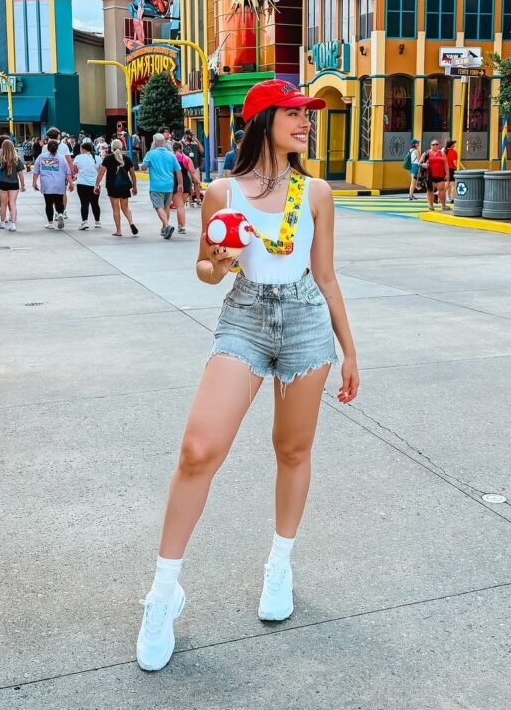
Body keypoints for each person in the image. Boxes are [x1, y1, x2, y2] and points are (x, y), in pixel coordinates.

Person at [136, 78, 360, 673]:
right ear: (263, 120)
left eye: (307, 115)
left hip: (306, 321)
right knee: (198, 450)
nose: (306, 123)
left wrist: (350, 350)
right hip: (245, 318)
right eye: (294, 113)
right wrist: (219, 263)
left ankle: (279, 564)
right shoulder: (222, 191)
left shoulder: (315, 192)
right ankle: (163, 593)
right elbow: (207, 270)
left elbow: (327, 275)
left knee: (292, 449)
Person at [94, 138, 138, 237]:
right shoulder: (126, 158)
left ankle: (118, 231)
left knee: (116, 209)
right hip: (124, 186)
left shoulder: (108, 158)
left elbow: (101, 173)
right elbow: (133, 174)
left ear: (112, 148)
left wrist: (97, 184)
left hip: (112, 186)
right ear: (121, 147)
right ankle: (131, 222)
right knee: (125, 207)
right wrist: (134, 187)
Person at [143, 133, 182, 240]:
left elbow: (143, 167)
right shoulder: (171, 155)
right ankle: (164, 228)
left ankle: (167, 225)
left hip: (156, 186)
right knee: (166, 206)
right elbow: (178, 170)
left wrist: (147, 164)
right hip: (169, 185)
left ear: (155, 142)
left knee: (159, 207)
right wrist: (180, 184)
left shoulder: (150, 154)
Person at [33, 139, 74, 229]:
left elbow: (36, 171)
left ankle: (50, 223)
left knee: (48, 204)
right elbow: (67, 172)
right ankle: (60, 214)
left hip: (47, 184)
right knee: (59, 201)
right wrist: (71, 184)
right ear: (57, 148)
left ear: (47, 148)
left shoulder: (41, 157)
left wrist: (34, 183)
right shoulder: (62, 158)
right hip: (59, 184)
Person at [0, 139, 25, 231]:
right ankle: (13, 224)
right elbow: (20, 173)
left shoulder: (0, 158)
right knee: (13, 203)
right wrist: (23, 185)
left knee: (3, 203)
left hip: (2, 183)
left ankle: (2, 223)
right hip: (14, 184)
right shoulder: (17, 159)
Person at [74, 140, 102, 229]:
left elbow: (75, 170)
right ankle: (97, 222)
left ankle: (85, 222)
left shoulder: (78, 157)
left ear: (83, 149)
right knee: (95, 203)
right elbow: (100, 171)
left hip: (82, 183)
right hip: (95, 184)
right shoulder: (97, 158)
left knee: (84, 203)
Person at [171, 141, 194, 234]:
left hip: (175, 182)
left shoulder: (171, 158)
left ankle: (182, 226)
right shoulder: (186, 159)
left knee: (179, 206)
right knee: (181, 206)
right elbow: (192, 172)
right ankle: (180, 225)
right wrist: (196, 183)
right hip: (186, 182)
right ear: (181, 148)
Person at [421, 138, 449, 211]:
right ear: (430, 145)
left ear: (439, 145)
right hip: (429, 176)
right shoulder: (426, 153)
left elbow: (446, 164)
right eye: (433, 144)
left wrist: (447, 174)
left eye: (437, 144)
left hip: (440, 175)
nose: (435, 146)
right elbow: (419, 163)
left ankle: (443, 205)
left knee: (442, 190)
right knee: (430, 191)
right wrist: (423, 165)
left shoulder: (442, 153)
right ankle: (431, 206)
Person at [181, 130, 204, 204]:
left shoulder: (195, 143)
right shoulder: (181, 143)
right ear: (186, 135)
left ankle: (198, 199)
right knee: (189, 183)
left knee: (197, 182)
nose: (192, 137)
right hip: (186, 166)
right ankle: (190, 199)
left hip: (195, 165)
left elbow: (202, 151)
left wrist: (197, 141)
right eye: (191, 135)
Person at [444, 139, 459, 204]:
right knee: (453, 185)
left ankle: (441, 197)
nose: (454, 145)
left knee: (447, 184)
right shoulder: (454, 152)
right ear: (451, 145)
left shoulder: (444, 151)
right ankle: (453, 199)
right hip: (452, 169)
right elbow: (454, 162)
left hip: (445, 169)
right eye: (453, 144)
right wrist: (458, 169)